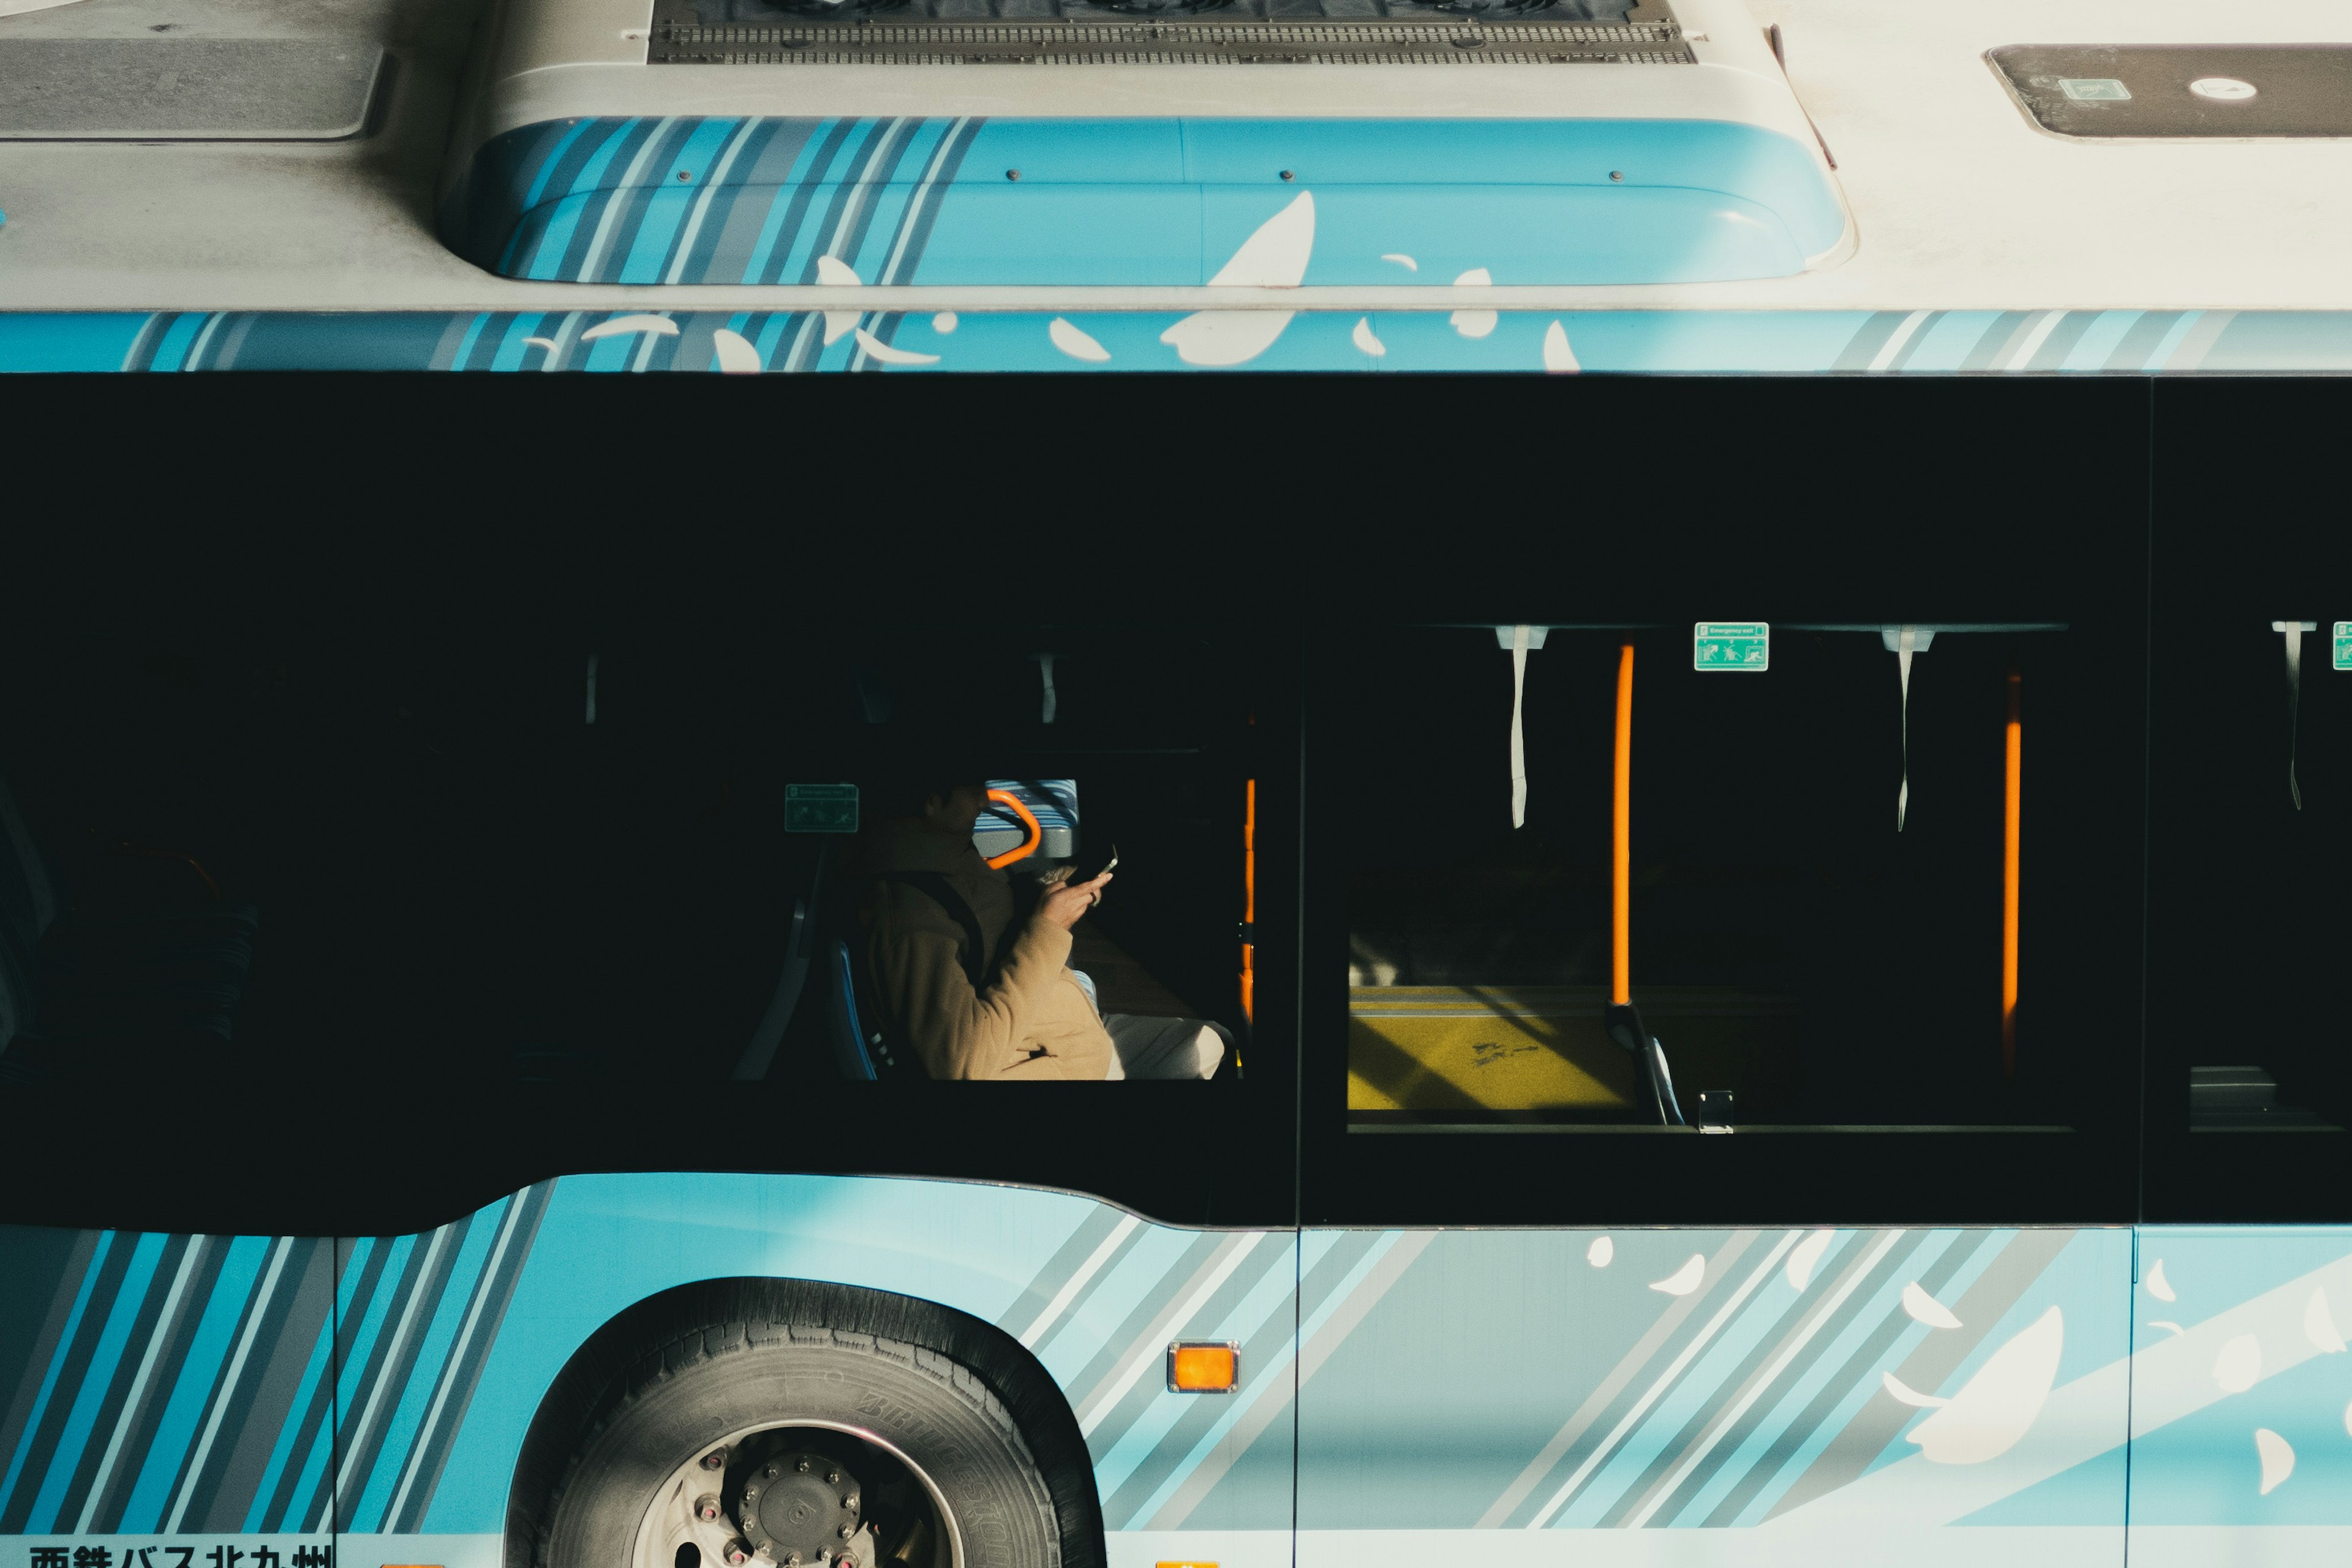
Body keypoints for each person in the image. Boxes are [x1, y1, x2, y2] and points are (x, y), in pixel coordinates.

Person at [854, 771, 1226, 1080]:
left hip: (1066, 1027)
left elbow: (981, 939)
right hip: (1057, 1058)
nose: (985, 801)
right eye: (972, 792)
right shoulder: (908, 921)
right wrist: (1047, 926)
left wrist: (1044, 900)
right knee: (1206, 1051)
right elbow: (962, 1063)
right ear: (932, 804)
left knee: (1216, 1038)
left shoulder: (947, 858)